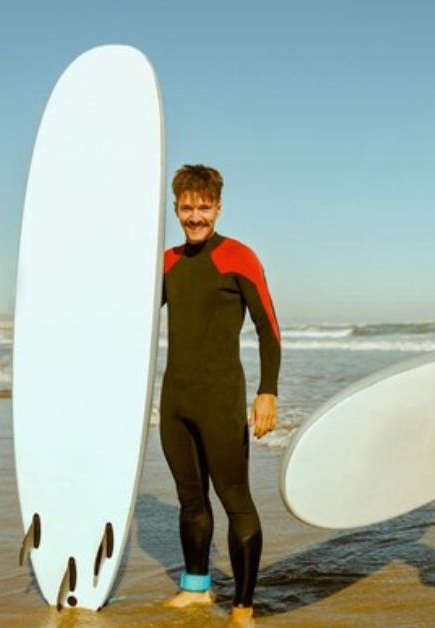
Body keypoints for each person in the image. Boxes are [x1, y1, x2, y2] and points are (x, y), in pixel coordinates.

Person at [159, 164, 281, 627]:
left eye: (203, 207)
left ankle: (244, 608)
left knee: (235, 500)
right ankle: (196, 588)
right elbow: (133, 318)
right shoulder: (167, 262)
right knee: (190, 500)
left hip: (221, 399)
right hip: (175, 401)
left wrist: (267, 391)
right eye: (187, 207)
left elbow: (269, 330)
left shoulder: (238, 257)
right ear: (175, 209)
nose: (195, 216)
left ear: (218, 208)